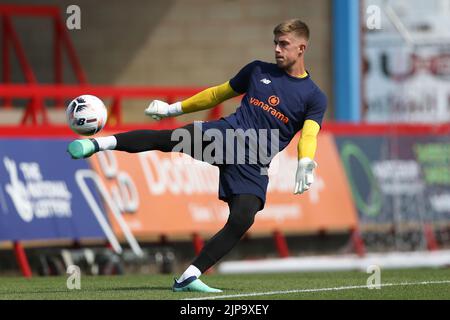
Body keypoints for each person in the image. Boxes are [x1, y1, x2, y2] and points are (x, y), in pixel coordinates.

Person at [67, 19, 327, 293]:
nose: (277, 48)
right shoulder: (257, 70)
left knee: (242, 218)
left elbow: (309, 134)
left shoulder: (314, 97)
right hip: (226, 137)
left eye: (283, 44)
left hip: (255, 161)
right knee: (167, 140)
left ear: (302, 47)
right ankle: (97, 145)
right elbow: (217, 94)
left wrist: (305, 161)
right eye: (275, 42)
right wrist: (172, 110)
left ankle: (189, 276)